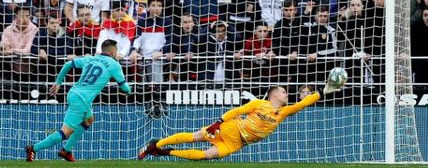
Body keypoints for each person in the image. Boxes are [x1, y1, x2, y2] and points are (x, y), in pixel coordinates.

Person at [138, 83, 344, 161]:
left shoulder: (282, 112)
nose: (286, 94)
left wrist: (323, 92)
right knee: (195, 137)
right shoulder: (260, 104)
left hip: (236, 143)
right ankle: (157, 144)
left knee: (205, 156)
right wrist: (218, 122)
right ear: (273, 94)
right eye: (283, 91)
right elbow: (238, 110)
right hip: (231, 127)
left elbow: (303, 103)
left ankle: (164, 151)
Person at [25, 39, 132, 162]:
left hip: (74, 93)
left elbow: (67, 65)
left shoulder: (90, 58)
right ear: (113, 52)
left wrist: (58, 82)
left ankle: (66, 150)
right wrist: (130, 90)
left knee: (89, 119)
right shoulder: (114, 65)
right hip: (81, 100)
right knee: (65, 132)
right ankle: (33, 148)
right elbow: (125, 89)